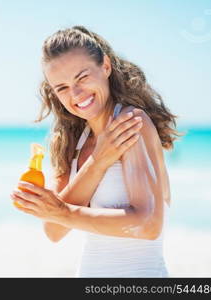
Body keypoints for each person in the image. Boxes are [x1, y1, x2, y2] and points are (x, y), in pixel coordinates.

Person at [10, 26, 180, 277]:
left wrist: (64, 211)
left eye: (82, 77)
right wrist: (98, 162)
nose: (76, 94)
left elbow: (148, 225)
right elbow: (54, 231)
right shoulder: (72, 141)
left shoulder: (131, 123)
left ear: (106, 67)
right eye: (62, 88)